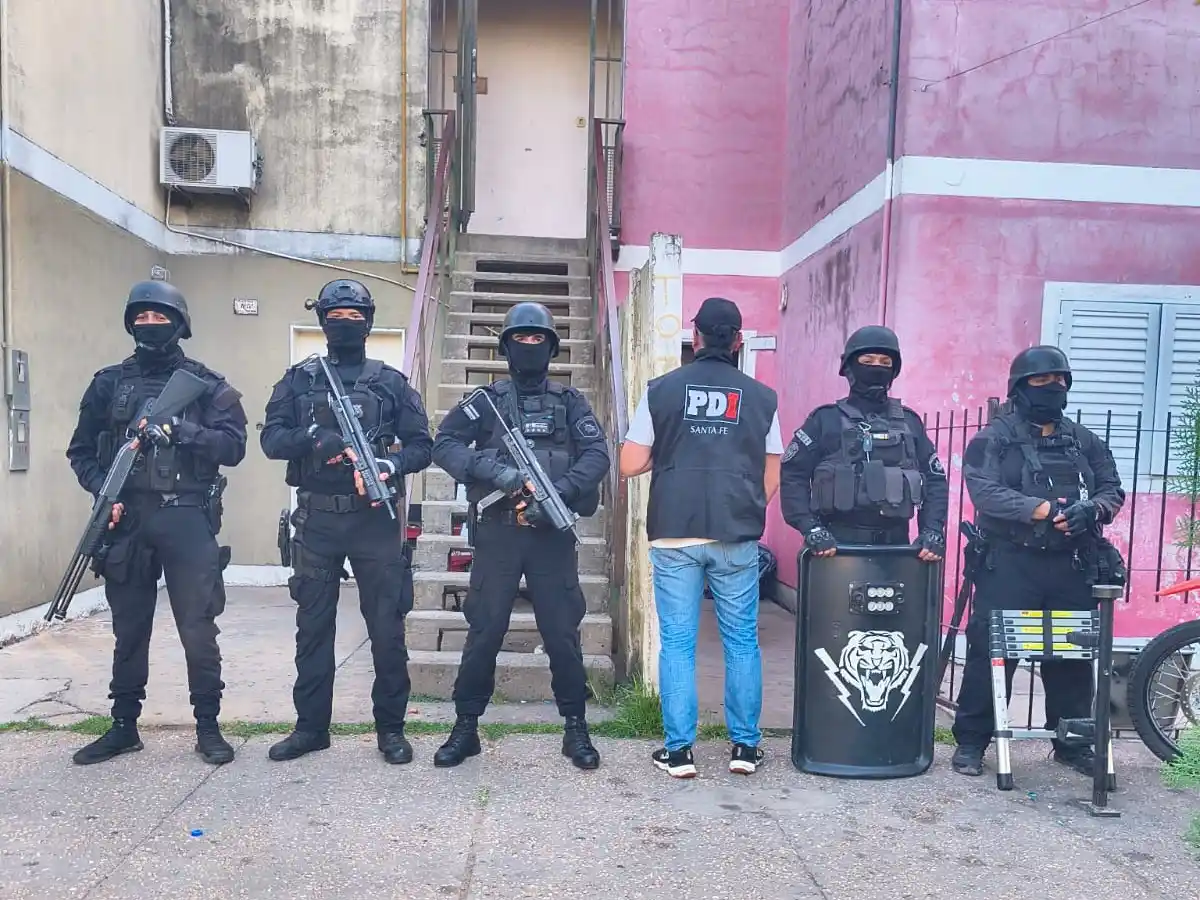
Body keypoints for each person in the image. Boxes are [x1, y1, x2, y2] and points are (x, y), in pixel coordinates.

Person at [65, 280, 248, 766]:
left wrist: (184, 432)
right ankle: (124, 725)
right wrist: (105, 494)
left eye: (159, 317)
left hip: (186, 516)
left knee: (197, 627)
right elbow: (80, 452)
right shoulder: (108, 383)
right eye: (141, 318)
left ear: (180, 324)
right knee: (129, 629)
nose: (150, 325)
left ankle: (208, 725)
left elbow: (234, 448)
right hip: (126, 521)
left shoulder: (206, 384)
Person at [430, 301, 610, 770]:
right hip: (499, 535)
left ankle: (576, 729)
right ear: (506, 347)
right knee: (485, 631)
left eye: (537, 340)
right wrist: (497, 473)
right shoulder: (486, 402)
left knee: (562, 635)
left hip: (552, 537)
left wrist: (560, 491)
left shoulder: (570, 403)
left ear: (550, 348)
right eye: (520, 340)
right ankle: (465, 727)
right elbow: (444, 444)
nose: (529, 347)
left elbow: (597, 454)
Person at [259, 279, 433, 765]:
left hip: (375, 520)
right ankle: (311, 728)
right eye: (336, 315)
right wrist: (314, 438)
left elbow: (423, 445)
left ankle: (391, 732)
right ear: (322, 322)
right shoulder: (300, 380)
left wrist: (389, 466)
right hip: (317, 521)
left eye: (355, 316)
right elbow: (271, 439)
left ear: (369, 321)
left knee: (386, 629)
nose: (345, 323)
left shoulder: (391, 383)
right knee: (313, 627)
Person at [619, 296, 782, 779]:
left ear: (695, 338)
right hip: (736, 532)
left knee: (678, 643)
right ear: (737, 340)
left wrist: (666, 452)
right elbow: (772, 470)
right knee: (741, 643)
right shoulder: (762, 396)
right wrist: (750, 508)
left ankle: (679, 752)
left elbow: (629, 464)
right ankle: (745, 749)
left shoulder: (662, 391)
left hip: (675, 532)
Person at [950, 345, 1125, 777]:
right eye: (1042, 382)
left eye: (1060, 382)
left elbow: (1112, 490)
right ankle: (972, 744)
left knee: (1071, 658)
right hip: (1011, 562)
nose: (1053, 388)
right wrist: (1044, 509)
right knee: (990, 654)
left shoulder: (1084, 440)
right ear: (1019, 388)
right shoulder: (993, 439)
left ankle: (1072, 745)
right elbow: (984, 492)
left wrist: (1092, 511)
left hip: (1071, 563)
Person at [780, 324, 949, 559]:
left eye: (885, 362)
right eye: (867, 361)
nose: (877, 368)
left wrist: (932, 531)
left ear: (894, 370)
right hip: (835, 549)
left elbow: (935, 480)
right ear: (849, 367)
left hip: (898, 549)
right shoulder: (825, 419)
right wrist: (811, 528)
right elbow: (793, 476)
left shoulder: (910, 423)